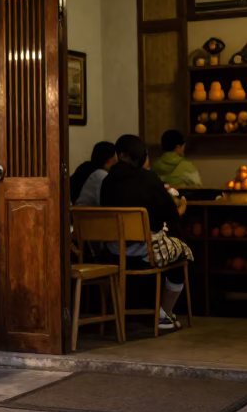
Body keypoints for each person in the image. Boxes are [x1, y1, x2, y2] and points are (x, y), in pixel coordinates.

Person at [100, 134, 194, 331]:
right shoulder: (148, 179)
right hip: (143, 250)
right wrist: (182, 206)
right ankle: (164, 314)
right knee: (182, 252)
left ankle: (144, 312)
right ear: (142, 156)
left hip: (113, 252)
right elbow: (171, 213)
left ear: (118, 155)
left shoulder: (107, 181)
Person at [71, 141, 117, 207]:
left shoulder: (86, 168)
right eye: (115, 160)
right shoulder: (101, 175)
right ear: (108, 160)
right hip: (86, 215)